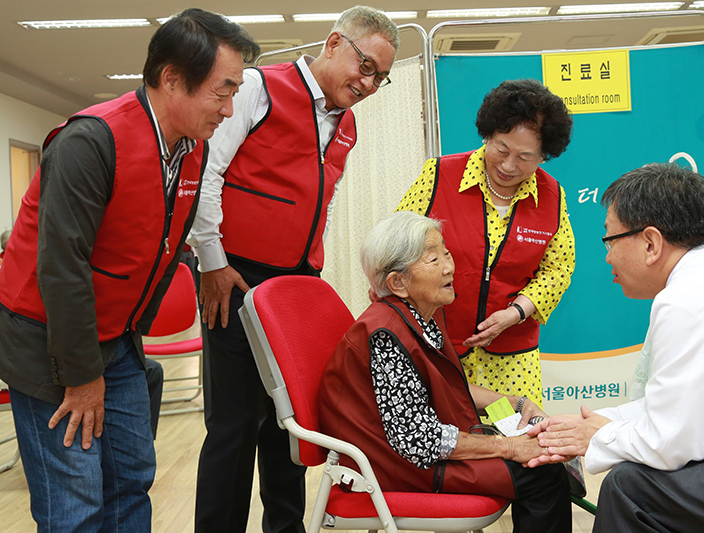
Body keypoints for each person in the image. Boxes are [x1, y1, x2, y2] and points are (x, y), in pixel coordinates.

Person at [0, 10, 259, 531]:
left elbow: (159, 251)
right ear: (171, 79)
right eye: (221, 92)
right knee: (76, 501)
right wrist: (81, 377)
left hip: (114, 336)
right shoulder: (89, 143)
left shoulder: (192, 149)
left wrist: (124, 344)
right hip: (49, 337)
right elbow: (62, 268)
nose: (230, 111)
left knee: (131, 477)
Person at [186, 6, 399, 532]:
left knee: (290, 421)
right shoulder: (258, 90)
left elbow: (318, 204)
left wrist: (313, 272)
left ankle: (286, 526)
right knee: (234, 424)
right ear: (333, 43)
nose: (369, 83)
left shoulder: (346, 124)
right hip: (233, 277)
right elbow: (206, 175)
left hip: (296, 281)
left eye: (381, 76)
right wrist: (212, 263)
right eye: (365, 66)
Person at [530, 163, 704, 533]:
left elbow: (671, 442)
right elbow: (681, 404)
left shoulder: (687, 301)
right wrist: (602, 422)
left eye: (609, 240)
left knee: (629, 487)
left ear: (651, 243)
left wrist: (594, 436)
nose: (607, 257)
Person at [318, 211, 572, 533]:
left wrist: (515, 403)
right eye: (433, 259)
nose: (449, 267)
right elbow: (418, 441)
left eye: (446, 253)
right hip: (401, 466)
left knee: (541, 454)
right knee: (541, 474)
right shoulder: (386, 335)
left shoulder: (421, 314)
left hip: (421, 453)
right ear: (398, 283)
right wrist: (509, 447)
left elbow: (446, 388)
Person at [397, 78, 575, 414]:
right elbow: (397, 243)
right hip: (438, 346)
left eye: (525, 157)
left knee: (514, 436)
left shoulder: (552, 197)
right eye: (502, 150)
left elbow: (558, 268)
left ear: (544, 156)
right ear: (487, 135)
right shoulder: (439, 176)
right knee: (453, 440)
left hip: (512, 356)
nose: (509, 166)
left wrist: (516, 312)